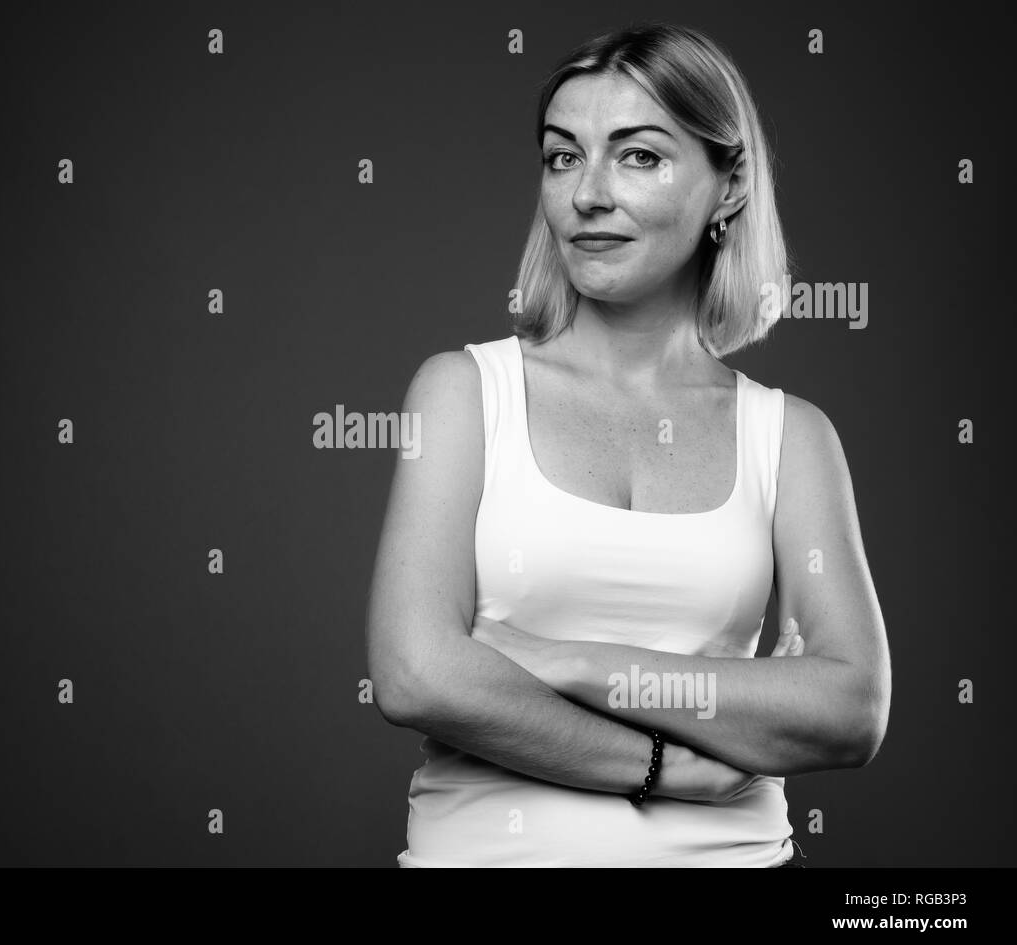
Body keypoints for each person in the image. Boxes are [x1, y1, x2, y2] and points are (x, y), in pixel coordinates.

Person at [364, 21, 891, 867]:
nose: (587, 195)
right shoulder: (462, 393)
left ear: (729, 186)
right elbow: (417, 675)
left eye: (637, 155)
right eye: (563, 155)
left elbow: (850, 710)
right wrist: (668, 764)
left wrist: (556, 659)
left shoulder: (791, 437)